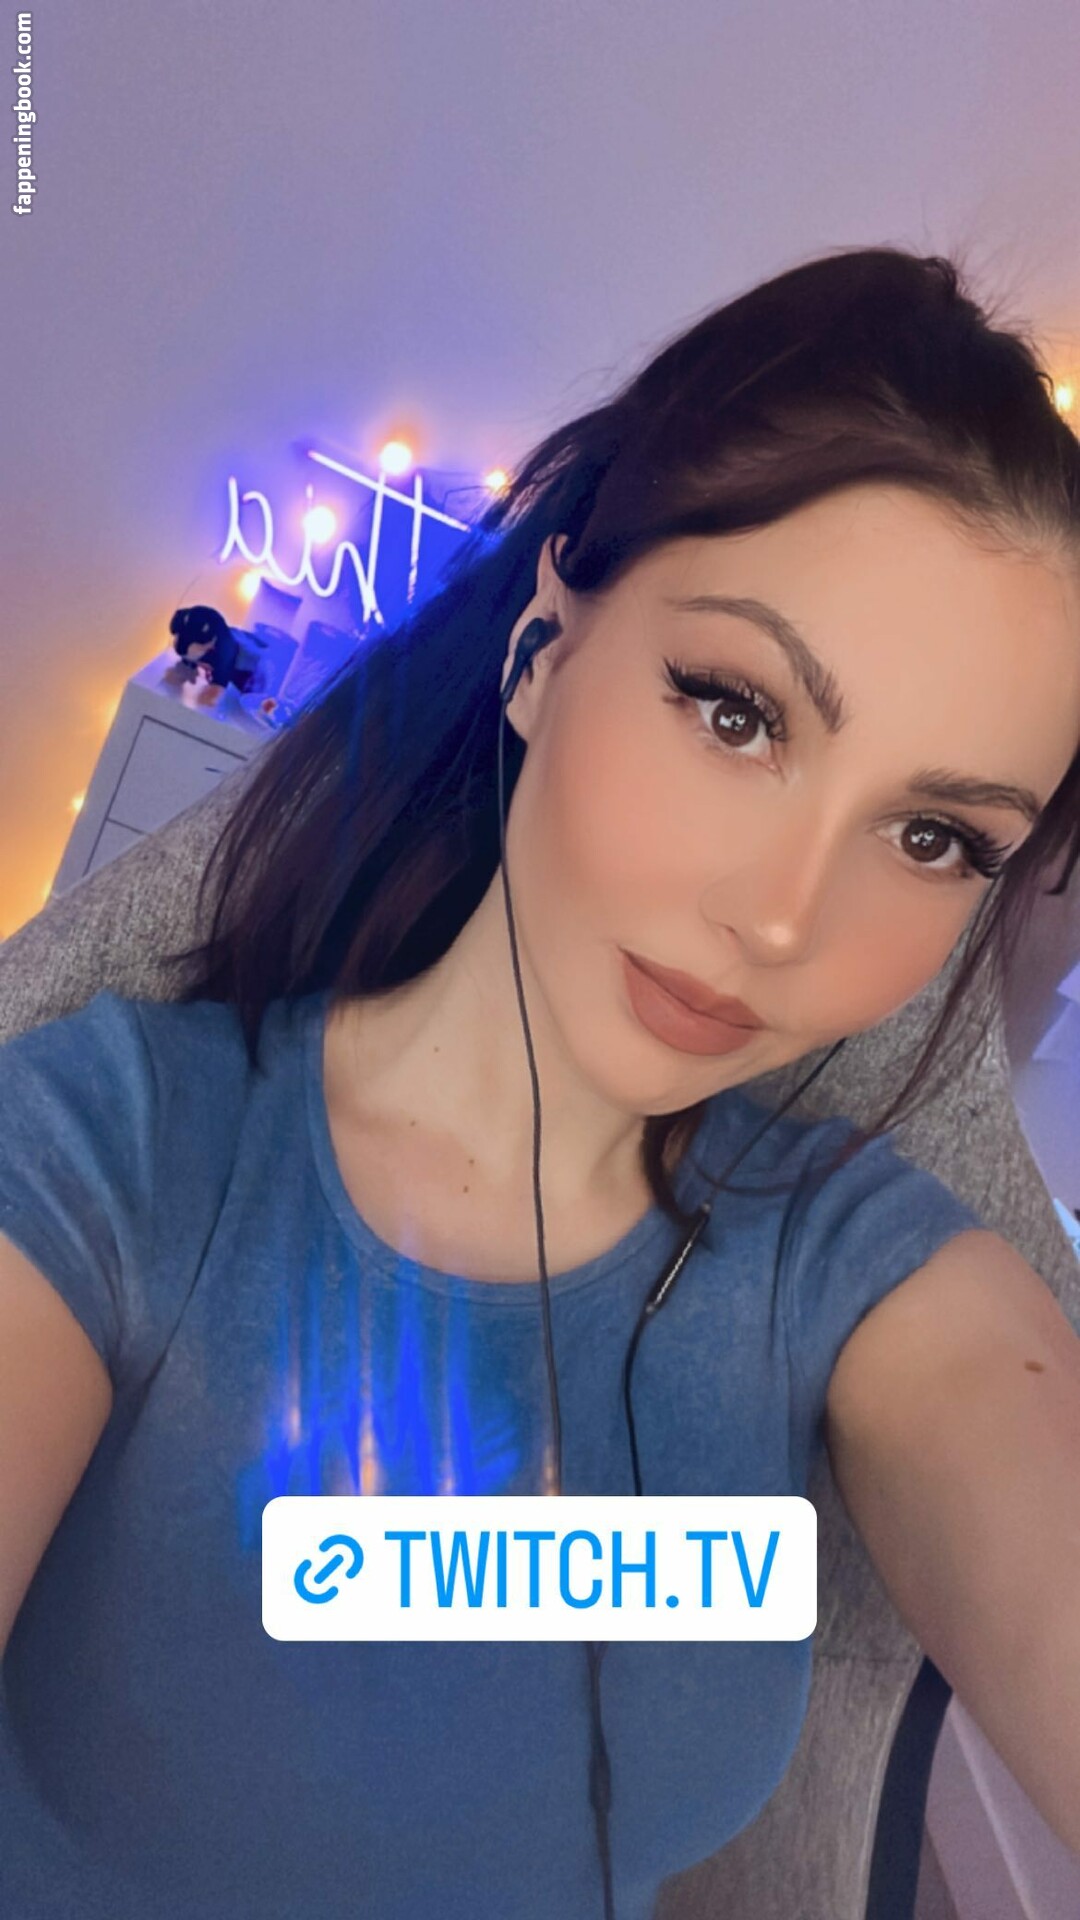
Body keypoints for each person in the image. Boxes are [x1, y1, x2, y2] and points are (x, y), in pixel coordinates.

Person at [2, 243, 1080, 1919]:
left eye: (933, 835)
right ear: (544, 647)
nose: (784, 917)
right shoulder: (112, 1151)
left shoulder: (862, 1270)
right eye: (736, 712)